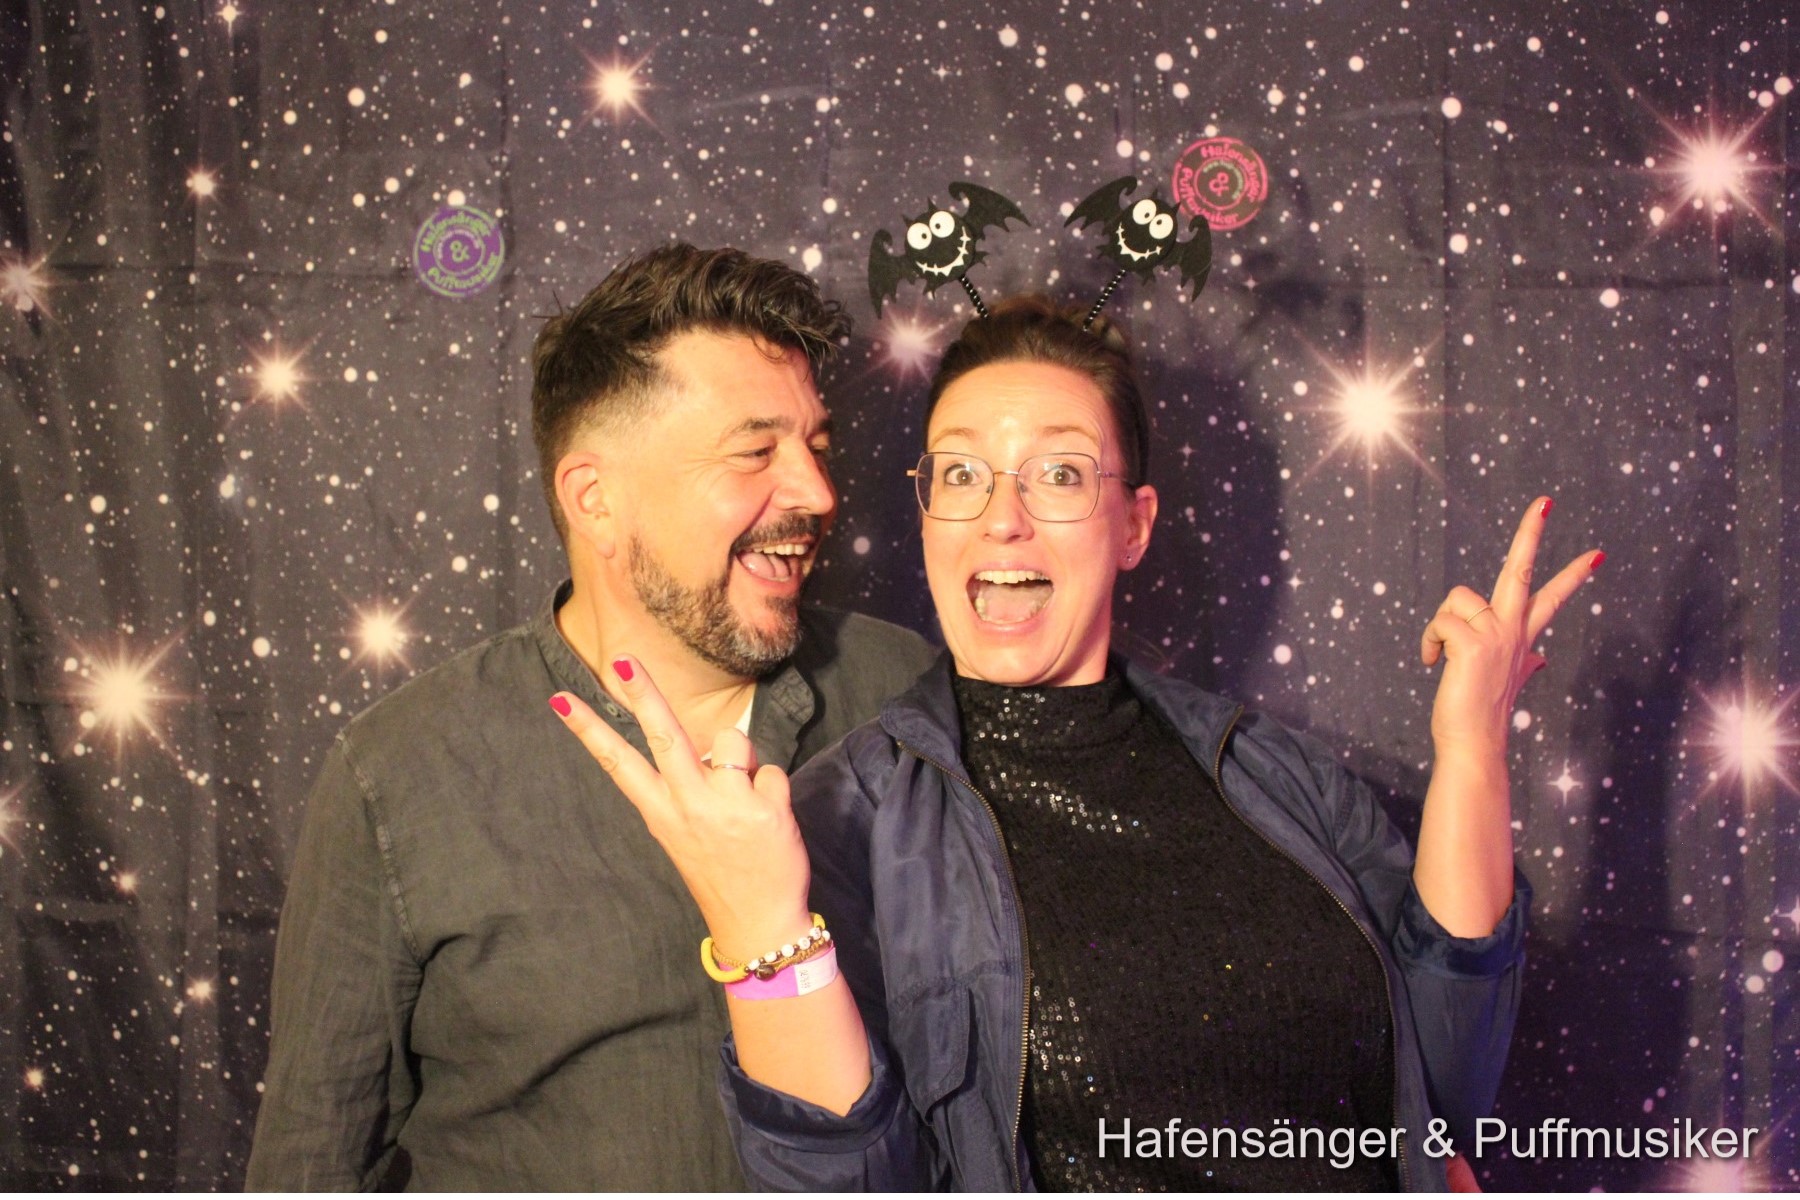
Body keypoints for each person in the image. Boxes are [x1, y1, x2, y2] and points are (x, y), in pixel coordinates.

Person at [551, 296, 1604, 1190]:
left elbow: (1443, 1097)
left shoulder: (1275, 775)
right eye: (961, 475)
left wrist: (1472, 748)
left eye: (1057, 474)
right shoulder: (847, 822)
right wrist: (762, 936)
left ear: (1133, 524)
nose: (1001, 517)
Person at [244, 245, 937, 1189]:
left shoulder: (906, 698)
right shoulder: (402, 773)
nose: (818, 493)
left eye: (816, 446)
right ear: (595, 500)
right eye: (755, 451)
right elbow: (312, 1163)